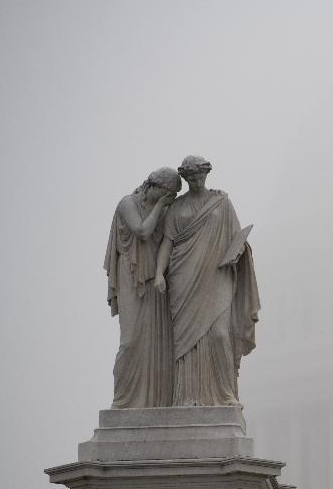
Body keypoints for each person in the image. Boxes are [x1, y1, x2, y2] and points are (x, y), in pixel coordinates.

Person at [155, 155, 260, 406]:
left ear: (206, 174)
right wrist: (159, 273)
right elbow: (167, 243)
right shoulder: (177, 208)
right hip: (184, 276)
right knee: (186, 343)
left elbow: (237, 238)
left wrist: (238, 252)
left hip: (218, 274)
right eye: (190, 178)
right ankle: (187, 396)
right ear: (185, 178)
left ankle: (225, 394)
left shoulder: (221, 203)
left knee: (220, 335)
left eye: (199, 176)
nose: (196, 181)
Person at [104, 167, 181, 408]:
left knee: (156, 342)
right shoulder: (127, 203)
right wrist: (160, 206)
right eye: (168, 193)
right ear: (154, 186)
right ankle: (123, 401)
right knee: (130, 341)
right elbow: (142, 231)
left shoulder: (166, 209)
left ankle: (154, 402)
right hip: (131, 275)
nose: (170, 200)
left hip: (155, 280)